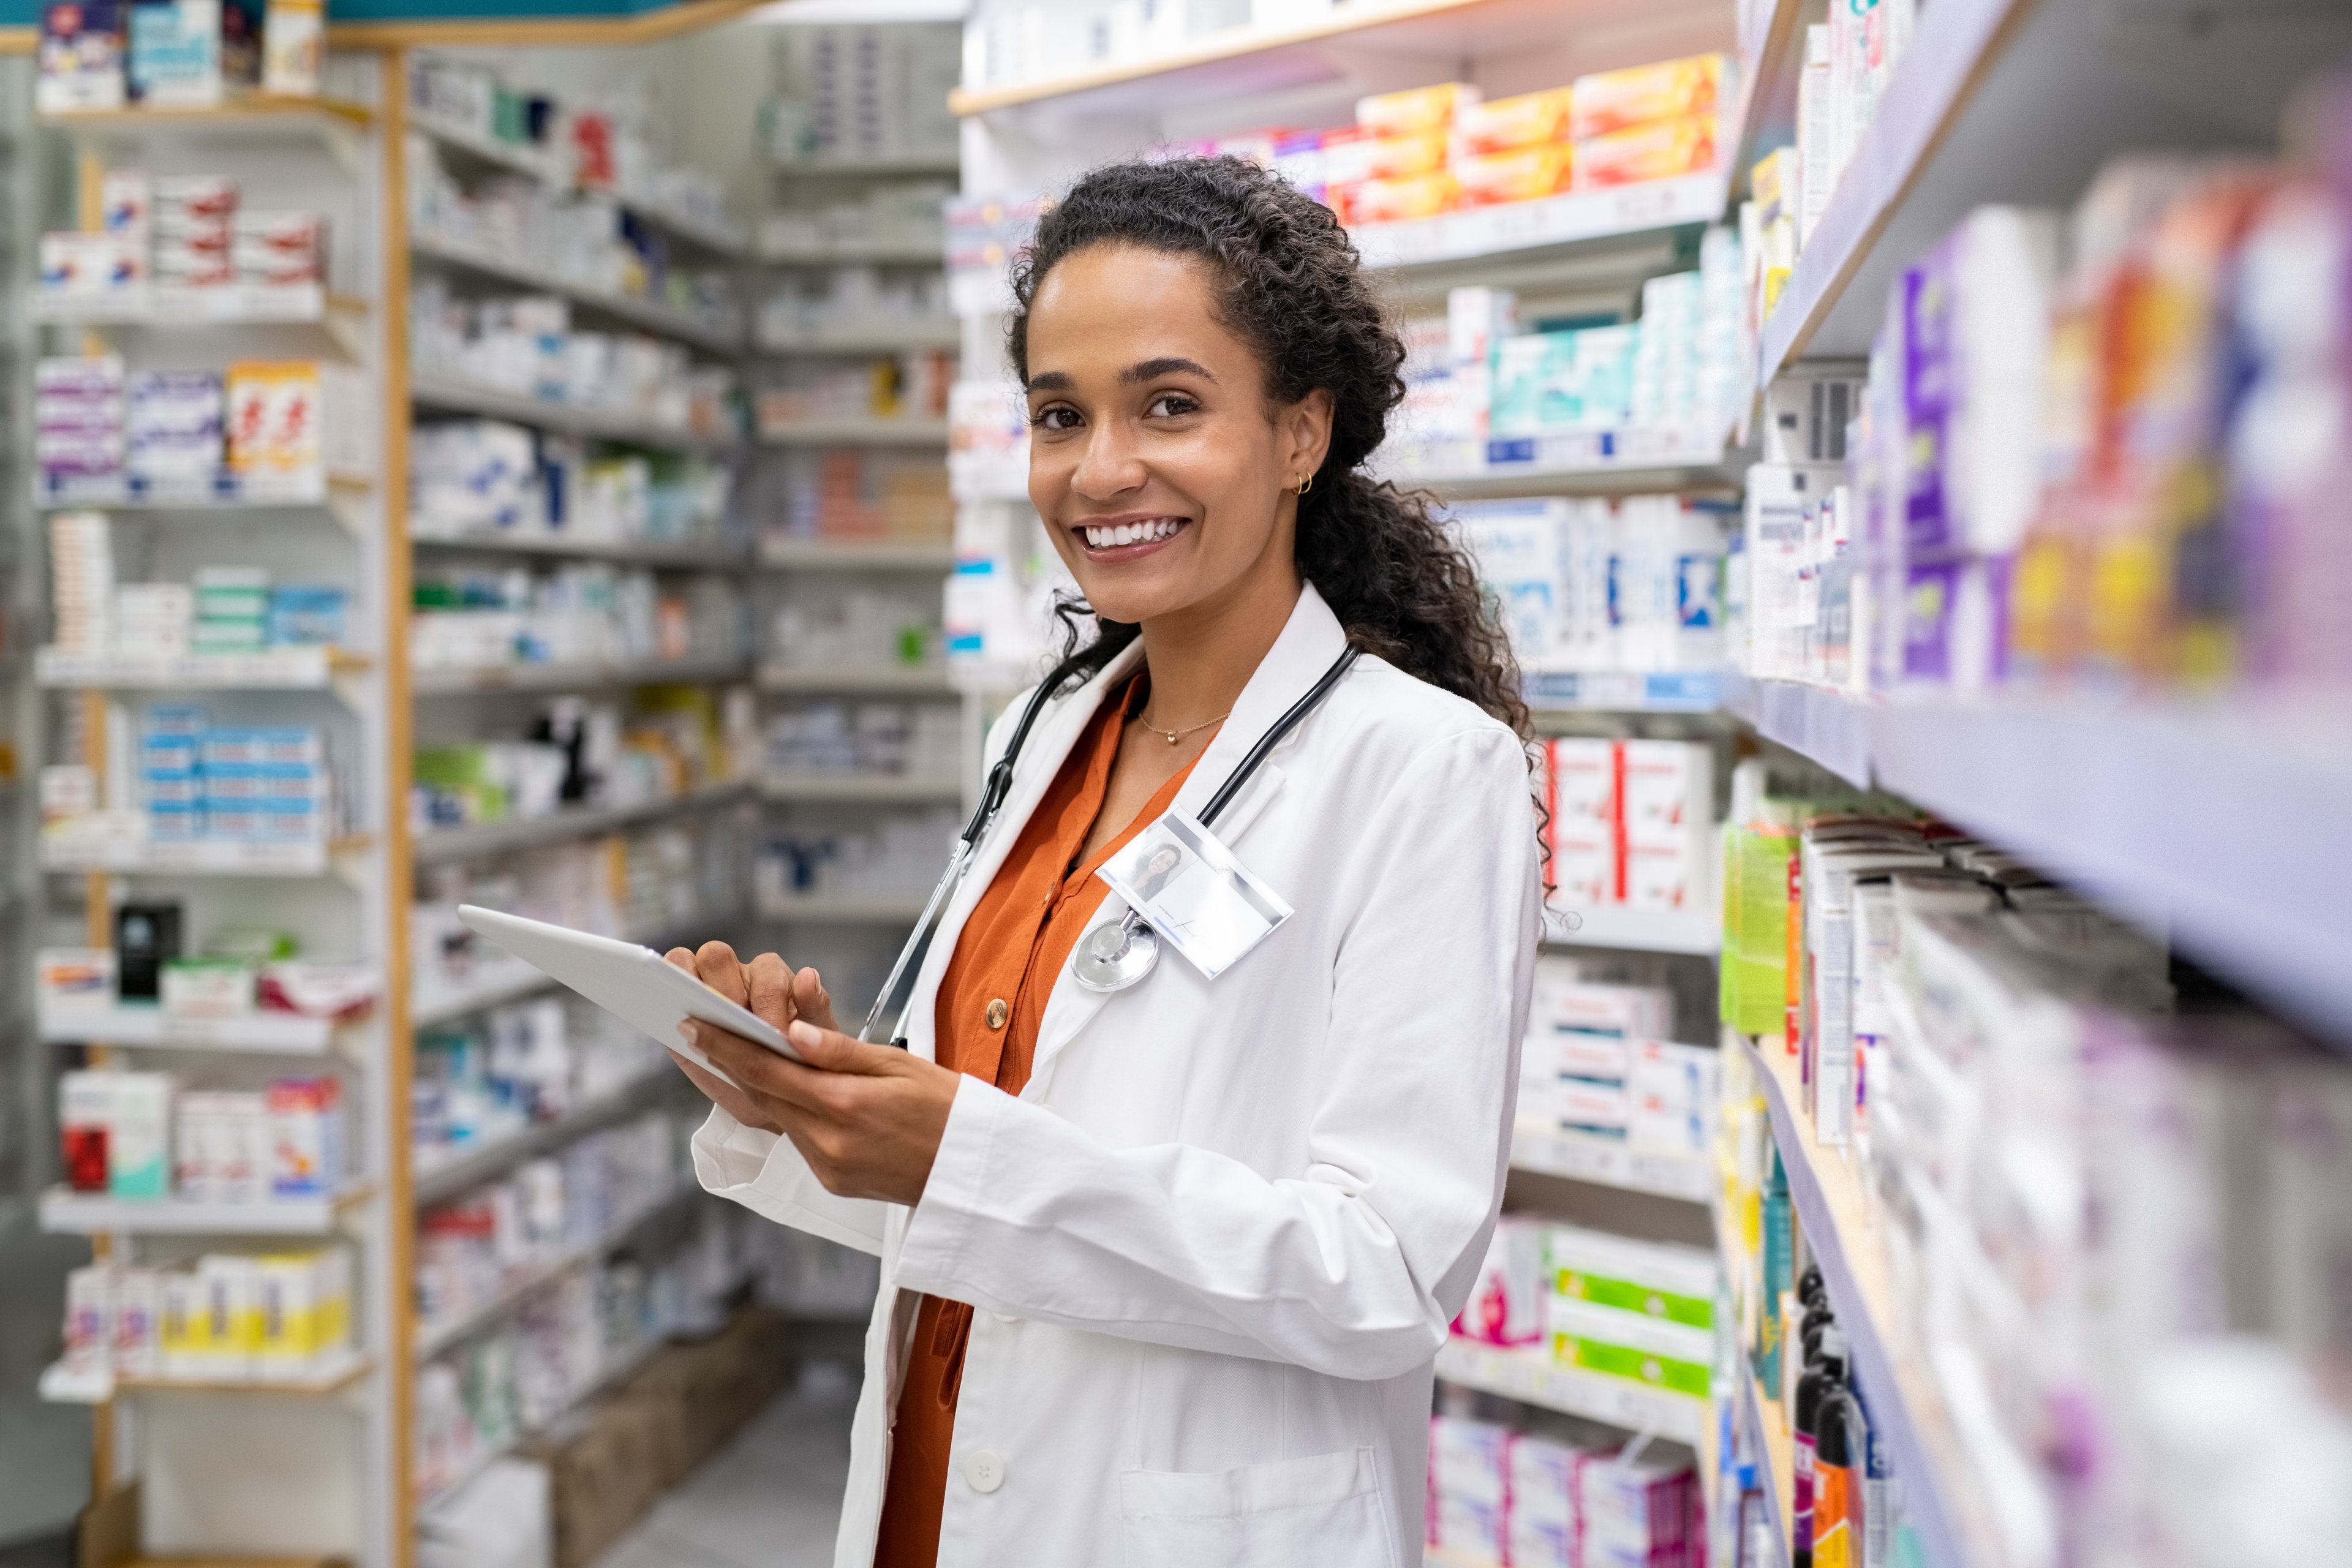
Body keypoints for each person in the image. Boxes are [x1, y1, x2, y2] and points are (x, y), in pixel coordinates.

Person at [665, 154, 1542, 1568]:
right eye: (1058, 414)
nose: (1101, 468)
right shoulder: (1043, 729)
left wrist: (965, 1154)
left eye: (1170, 405)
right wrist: (806, 1091)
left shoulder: (1424, 769)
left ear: (1302, 431)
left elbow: (1382, 1269)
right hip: (934, 1490)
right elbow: (973, 1160)